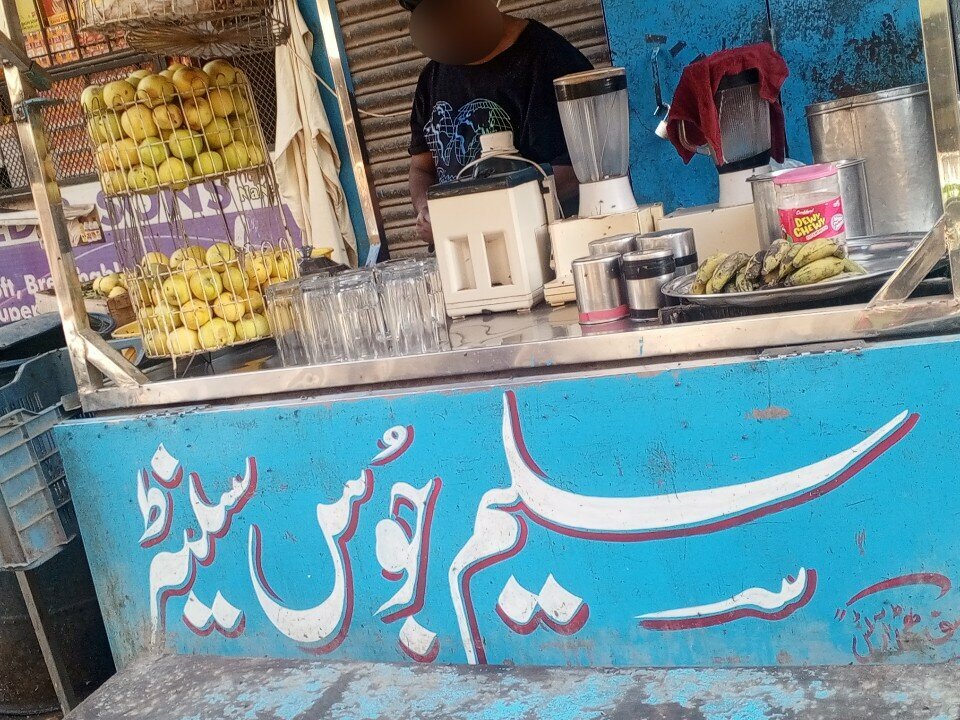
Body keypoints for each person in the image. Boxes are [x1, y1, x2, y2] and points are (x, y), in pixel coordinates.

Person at [404, 0, 592, 243]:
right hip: (465, 256)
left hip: (543, 250)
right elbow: (421, 167)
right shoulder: (431, 78)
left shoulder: (552, 61)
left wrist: (475, 217)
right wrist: (428, 211)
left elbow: (580, 168)